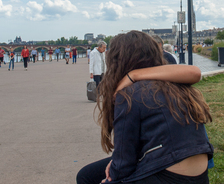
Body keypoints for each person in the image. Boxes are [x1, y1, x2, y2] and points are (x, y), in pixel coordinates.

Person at [77, 31, 213, 184]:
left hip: (168, 175)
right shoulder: (176, 85)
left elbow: (123, 165)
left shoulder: (129, 95)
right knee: (89, 174)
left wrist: (110, 177)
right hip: (198, 176)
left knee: (85, 177)